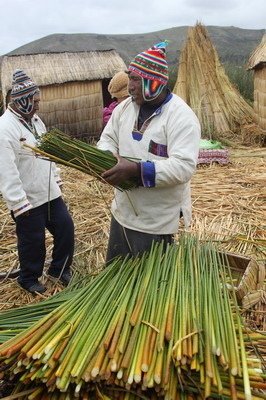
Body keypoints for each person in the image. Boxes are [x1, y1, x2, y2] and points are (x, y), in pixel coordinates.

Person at [97, 42, 201, 263]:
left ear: (154, 83)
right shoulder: (124, 109)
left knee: (147, 283)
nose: (130, 86)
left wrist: (135, 169)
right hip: (123, 210)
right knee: (117, 274)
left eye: (135, 79)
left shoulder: (181, 117)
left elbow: (183, 167)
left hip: (156, 218)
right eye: (130, 78)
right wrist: (106, 159)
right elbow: (107, 139)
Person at [0, 69, 75, 294]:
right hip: (28, 198)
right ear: (22, 100)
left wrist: (57, 178)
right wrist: (18, 203)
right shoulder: (5, 128)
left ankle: (59, 269)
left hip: (49, 191)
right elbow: (6, 170)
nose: (38, 105)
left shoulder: (35, 121)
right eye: (34, 101)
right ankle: (28, 277)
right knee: (33, 242)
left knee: (65, 228)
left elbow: (48, 153)